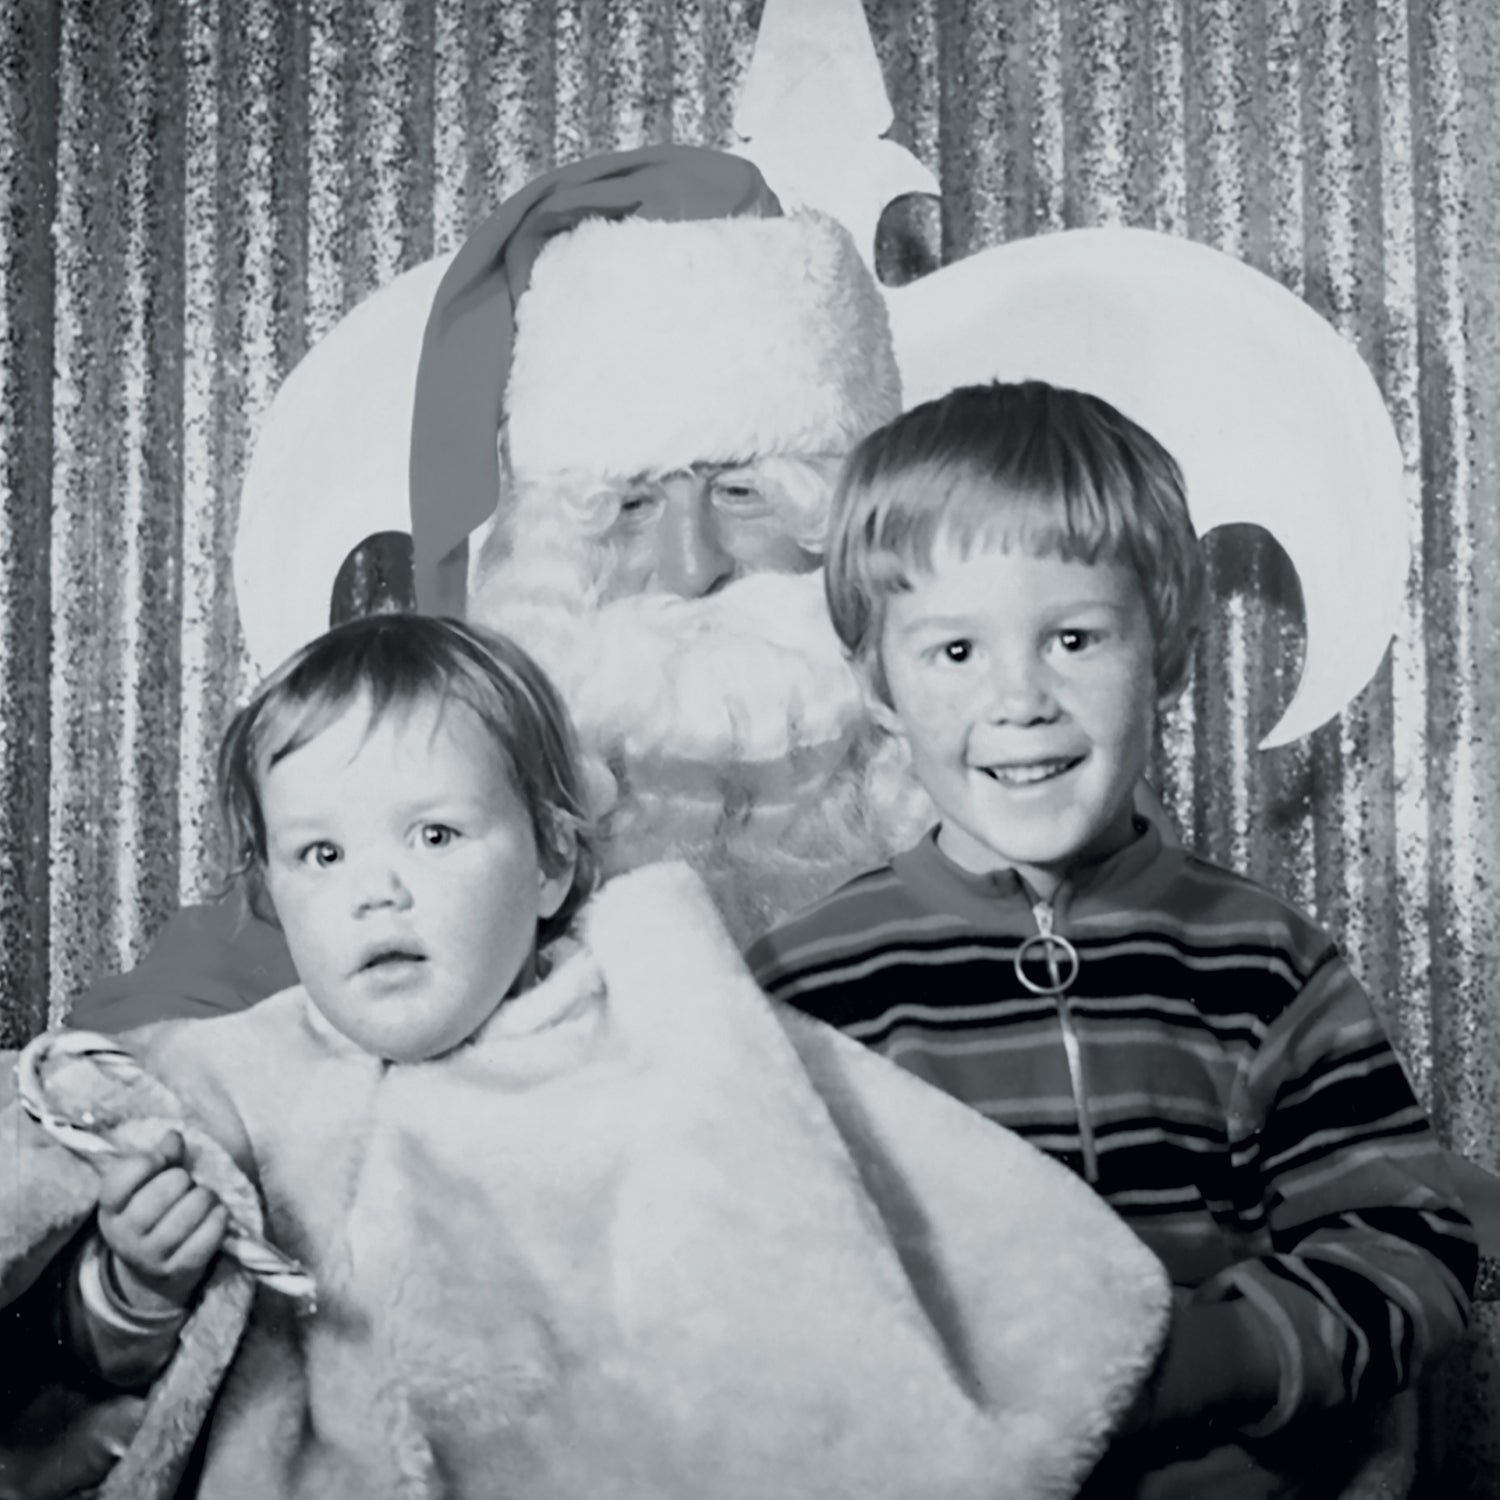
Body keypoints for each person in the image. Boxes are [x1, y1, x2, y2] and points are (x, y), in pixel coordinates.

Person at [6, 611, 1174, 1500]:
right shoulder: (221, 1087)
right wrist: (134, 1293)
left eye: (435, 833)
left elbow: (877, 1238)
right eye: (321, 855)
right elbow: (82, 1385)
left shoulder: (663, 1030)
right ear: (270, 891)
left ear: (553, 864)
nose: (376, 890)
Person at [745, 380, 1479, 1499]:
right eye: (955, 652)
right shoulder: (804, 985)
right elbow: (743, 1299)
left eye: (1074, 638)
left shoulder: (1266, 963)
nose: (1021, 700)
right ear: (877, 684)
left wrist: (1207, 1360)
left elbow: (1410, 1249)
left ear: (1168, 652)